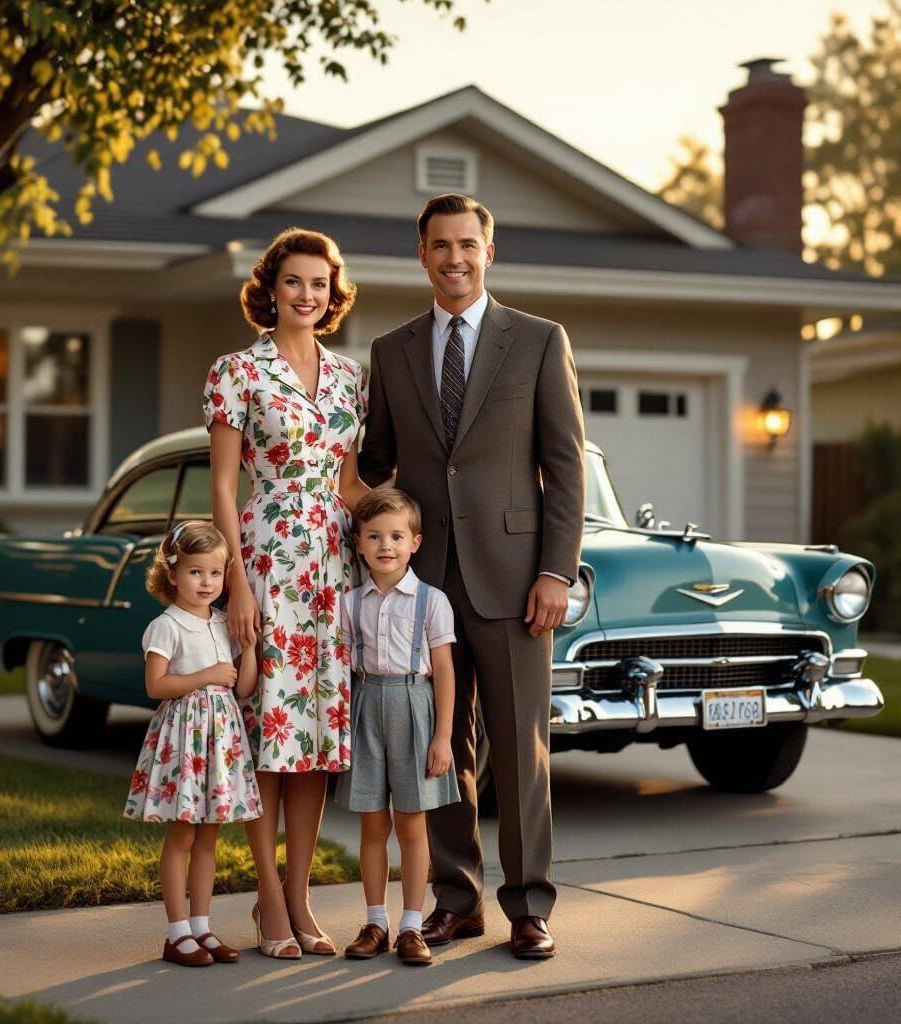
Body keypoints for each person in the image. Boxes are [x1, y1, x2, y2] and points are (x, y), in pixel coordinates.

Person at [359, 194, 586, 959]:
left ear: (489, 252)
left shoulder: (539, 340)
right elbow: (375, 463)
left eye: (467, 244)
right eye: (440, 245)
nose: (454, 257)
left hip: (519, 580)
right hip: (425, 585)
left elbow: (564, 464)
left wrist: (556, 569)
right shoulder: (391, 351)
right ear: (420, 254)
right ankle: (457, 901)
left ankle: (528, 906)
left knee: (521, 749)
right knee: (440, 743)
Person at [205, 228, 368, 959]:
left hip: (333, 572)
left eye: (320, 285)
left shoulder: (350, 378)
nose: (308, 295)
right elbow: (221, 486)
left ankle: (300, 900)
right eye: (294, 282)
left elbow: (348, 483)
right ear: (271, 289)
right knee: (269, 741)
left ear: (333, 296)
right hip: (267, 563)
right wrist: (237, 582)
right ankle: (268, 903)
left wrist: (403, 525)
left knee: (315, 744)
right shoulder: (236, 372)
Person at [124, 520, 261, 967]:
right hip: (184, 740)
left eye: (215, 573)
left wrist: (250, 648)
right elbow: (155, 686)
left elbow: (242, 689)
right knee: (181, 836)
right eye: (195, 572)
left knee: (209, 840)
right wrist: (205, 677)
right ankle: (177, 933)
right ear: (173, 574)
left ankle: (202, 927)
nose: (206, 582)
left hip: (219, 741)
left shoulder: (223, 622)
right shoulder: (167, 626)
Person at [336, 488, 459, 966]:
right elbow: (343, 668)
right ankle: (374, 922)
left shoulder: (432, 602)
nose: (385, 545)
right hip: (366, 704)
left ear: (415, 542)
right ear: (359, 545)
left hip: (414, 706)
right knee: (372, 825)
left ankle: (411, 926)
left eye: (395, 536)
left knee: (412, 825)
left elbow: (444, 670)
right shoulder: (350, 603)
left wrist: (443, 735)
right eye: (374, 536)